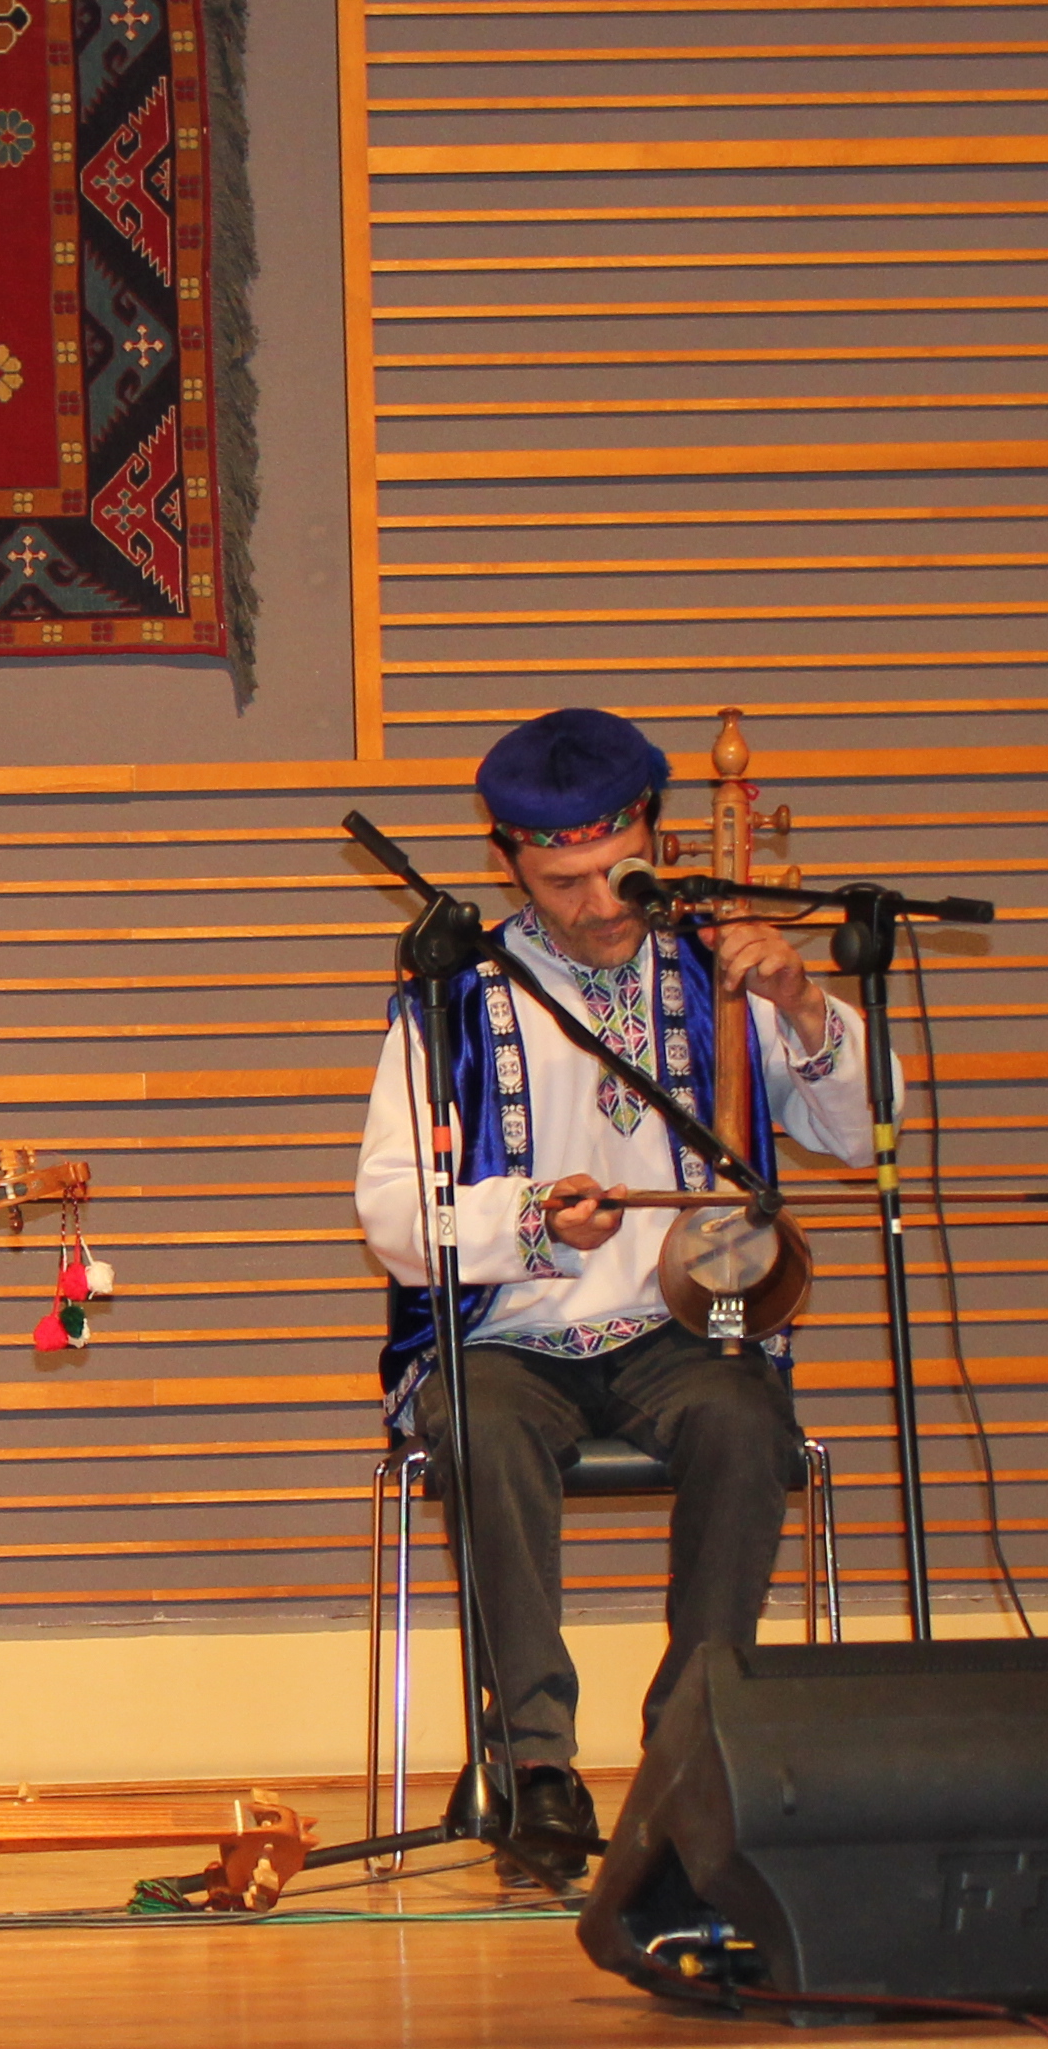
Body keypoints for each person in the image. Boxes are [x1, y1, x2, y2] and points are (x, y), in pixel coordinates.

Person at [357, 706, 868, 1887]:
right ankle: (536, 1765)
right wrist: (527, 1219)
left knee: (746, 1423)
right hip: (511, 1339)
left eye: (614, 871)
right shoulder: (453, 997)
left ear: (654, 832)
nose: (598, 904)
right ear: (507, 864)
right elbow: (390, 1212)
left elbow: (855, 1130)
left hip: (683, 1334)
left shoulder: (721, 971)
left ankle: (695, 1748)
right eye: (563, 880)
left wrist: (801, 1004)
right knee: (478, 1428)